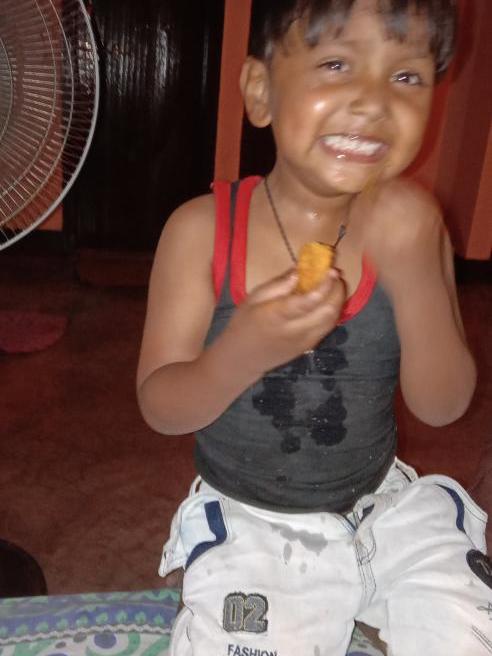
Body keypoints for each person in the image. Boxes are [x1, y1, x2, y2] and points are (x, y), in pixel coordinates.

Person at [136, 1, 491, 654]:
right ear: (260, 92)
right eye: (336, 64)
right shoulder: (201, 232)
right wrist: (241, 352)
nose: (374, 101)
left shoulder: (414, 228)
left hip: (382, 505)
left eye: (406, 76)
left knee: (472, 630)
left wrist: (417, 279)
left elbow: (442, 405)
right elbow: (160, 406)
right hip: (251, 516)